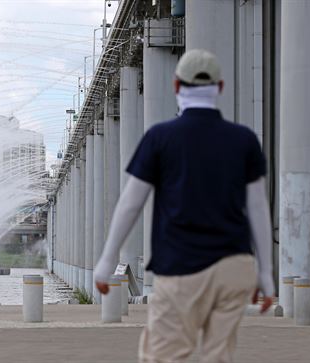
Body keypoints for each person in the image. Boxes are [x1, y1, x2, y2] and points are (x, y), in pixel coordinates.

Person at [93, 49, 275, 363]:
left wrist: (107, 261)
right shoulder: (244, 140)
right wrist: (266, 273)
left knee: (165, 356)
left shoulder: (160, 138)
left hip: (181, 265)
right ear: (219, 88)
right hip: (234, 267)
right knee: (219, 356)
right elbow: (258, 208)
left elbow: (131, 204)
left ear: (177, 86)